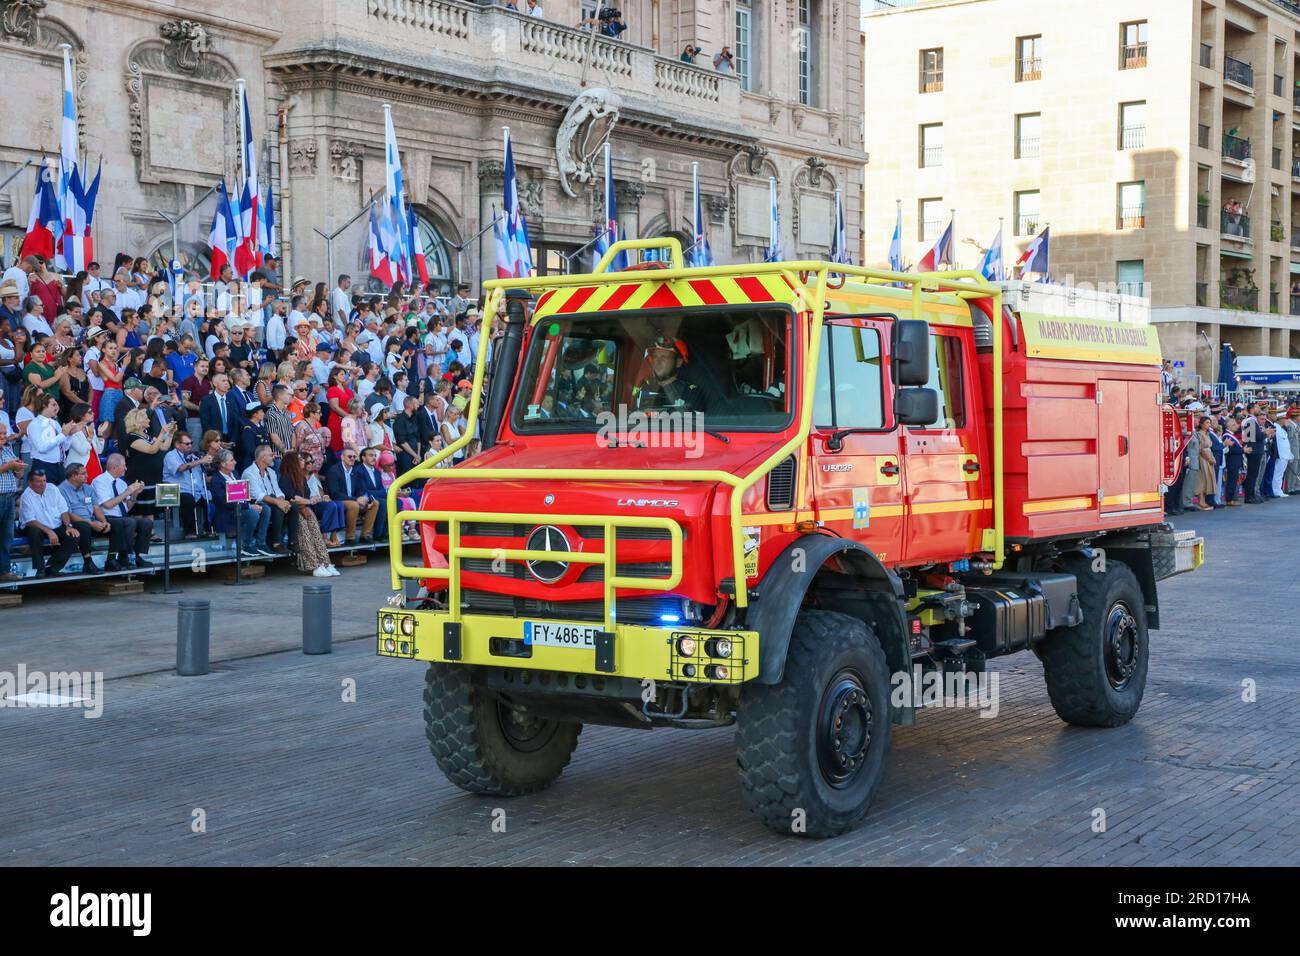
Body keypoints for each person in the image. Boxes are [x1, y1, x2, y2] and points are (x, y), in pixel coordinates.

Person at [20, 467, 94, 576]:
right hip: (36, 526)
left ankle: (52, 567)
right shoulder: (26, 496)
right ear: (30, 483)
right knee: (34, 532)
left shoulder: (52, 488)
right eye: (39, 481)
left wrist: (68, 526)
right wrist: (49, 531)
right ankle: (40, 569)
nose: (43, 484)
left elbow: (63, 510)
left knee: (73, 536)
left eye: (44, 481)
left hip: (55, 524)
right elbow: (30, 521)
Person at [278, 451, 338, 576]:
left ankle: (325, 563)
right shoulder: (284, 478)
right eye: (299, 460)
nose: (303, 462)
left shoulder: (301, 477)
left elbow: (306, 495)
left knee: (316, 532)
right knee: (305, 534)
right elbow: (292, 498)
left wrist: (312, 499)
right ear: (293, 462)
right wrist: (310, 501)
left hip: (305, 508)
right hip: (293, 511)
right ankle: (313, 565)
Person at [58, 463, 112, 570]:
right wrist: (91, 524)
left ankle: (113, 559)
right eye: (84, 473)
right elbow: (67, 513)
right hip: (74, 522)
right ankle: (88, 561)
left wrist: (104, 521)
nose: (87, 475)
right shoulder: (61, 490)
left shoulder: (88, 488)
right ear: (74, 476)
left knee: (120, 523)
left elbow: (96, 507)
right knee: (84, 526)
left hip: (92, 521)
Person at [124, 406, 175, 516]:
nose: (149, 420)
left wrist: (170, 434)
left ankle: (150, 532)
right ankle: (140, 533)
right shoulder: (132, 437)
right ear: (137, 421)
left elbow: (164, 447)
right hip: (140, 479)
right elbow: (151, 450)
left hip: (152, 478)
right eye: (146, 418)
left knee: (149, 511)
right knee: (139, 512)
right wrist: (161, 433)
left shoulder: (147, 435)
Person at [324, 448, 380, 544]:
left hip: (353, 500)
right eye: (349, 456)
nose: (352, 458)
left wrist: (367, 499)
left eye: (354, 456)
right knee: (354, 505)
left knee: (375, 503)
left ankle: (365, 535)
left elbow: (360, 491)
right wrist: (356, 499)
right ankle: (350, 537)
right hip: (337, 501)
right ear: (342, 457)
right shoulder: (334, 471)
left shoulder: (354, 471)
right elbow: (335, 494)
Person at [243, 444, 291, 555]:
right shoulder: (249, 473)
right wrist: (278, 502)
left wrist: (281, 500)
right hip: (257, 502)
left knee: (293, 507)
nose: (273, 457)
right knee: (273, 509)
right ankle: (273, 543)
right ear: (263, 457)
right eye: (271, 455)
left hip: (271, 500)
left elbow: (277, 491)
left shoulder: (271, 472)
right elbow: (258, 495)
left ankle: (292, 541)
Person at [163, 429, 212, 538]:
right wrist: (199, 461)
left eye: (191, 443)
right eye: (187, 443)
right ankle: (190, 532)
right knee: (188, 499)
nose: (190, 446)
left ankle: (209, 529)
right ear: (177, 444)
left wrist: (206, 464)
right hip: (176, 490)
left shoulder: (193, 455)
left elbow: (202, 472)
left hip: (194, 489)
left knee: (210, 497)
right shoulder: (170, 456)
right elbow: (180, 468)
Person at [634, 336, 704, 412]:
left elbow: (694, 422)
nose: (658, 362)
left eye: (664, 357)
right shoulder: (644, 389)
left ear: (678, 362)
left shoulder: (690, 393)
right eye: (655, 356)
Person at [26, 393, 76, 485]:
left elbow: (64, 448)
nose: (57, 407)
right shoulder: (35, 424)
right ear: (44, 405)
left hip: (59, 466)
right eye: (53, 404)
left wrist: (69, 435)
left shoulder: (55, 423)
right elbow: (41, 448)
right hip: (43, 466)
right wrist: (62, 435)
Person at [0, 420, 26, 581]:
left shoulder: (7, 449)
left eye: (4, 433)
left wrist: (18, 468)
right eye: (0, 434)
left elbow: (18, 475)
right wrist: (9, 465)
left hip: (9, 498)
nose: (3, 436)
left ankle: (4, 570)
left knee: (6, 537)